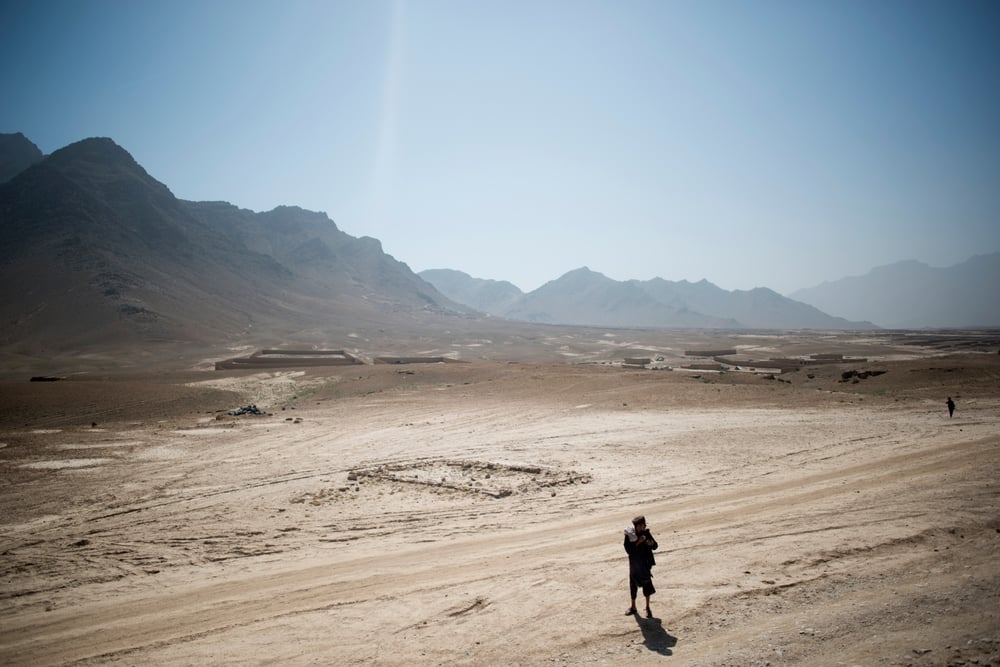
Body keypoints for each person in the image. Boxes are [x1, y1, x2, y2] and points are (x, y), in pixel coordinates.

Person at [624, 514, 658, 618]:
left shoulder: (646, 533)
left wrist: (650, 543)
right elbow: (629, 551)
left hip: (645, 563)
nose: (643, 527)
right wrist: (638, 542)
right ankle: (633, 607)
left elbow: (655, 546)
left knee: (647, 585)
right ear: (637, 526)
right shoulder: (629, 536)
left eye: (643, 525)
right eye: (641, 525)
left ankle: (647, 608)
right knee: (633, 585)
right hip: (634, 564)